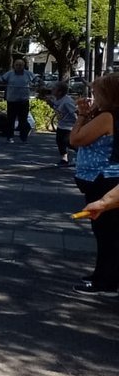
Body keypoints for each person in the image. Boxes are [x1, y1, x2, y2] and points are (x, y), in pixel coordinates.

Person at [69, 74, 119, 297]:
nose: (93, 96)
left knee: (106, 233)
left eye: (97, 92)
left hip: (104, 180)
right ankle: (104, 276)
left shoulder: (108, 116)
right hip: (106, 179)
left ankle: (105, 281)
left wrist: (81, 116)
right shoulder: (108, 115)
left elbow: (76, 139)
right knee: (109, 233)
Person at [1, 59, 36, 143]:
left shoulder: (28, 74)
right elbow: (2, 80)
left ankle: (23, 137)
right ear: (14, 66)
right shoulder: (9, 74)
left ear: (23, 66)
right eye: (17, 65)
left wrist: (40, 84)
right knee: (11, 119)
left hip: (24, 100)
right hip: (12, 100)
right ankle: (10, 137)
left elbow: (36, 79)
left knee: (23, 120)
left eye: (21, 65)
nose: (19, 66)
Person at [49, 81, 77, 167]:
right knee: (59, 141)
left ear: (60, 92)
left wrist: (79, 123)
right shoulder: (56, 99)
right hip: (61, 124)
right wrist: (51, 104)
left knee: (68, 142)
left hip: (69, 125)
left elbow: (75, 112)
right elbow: (57, 109)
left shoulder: (67, 101)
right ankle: (64, 158)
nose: (52, 90)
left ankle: (80, 153)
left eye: (54, 89)